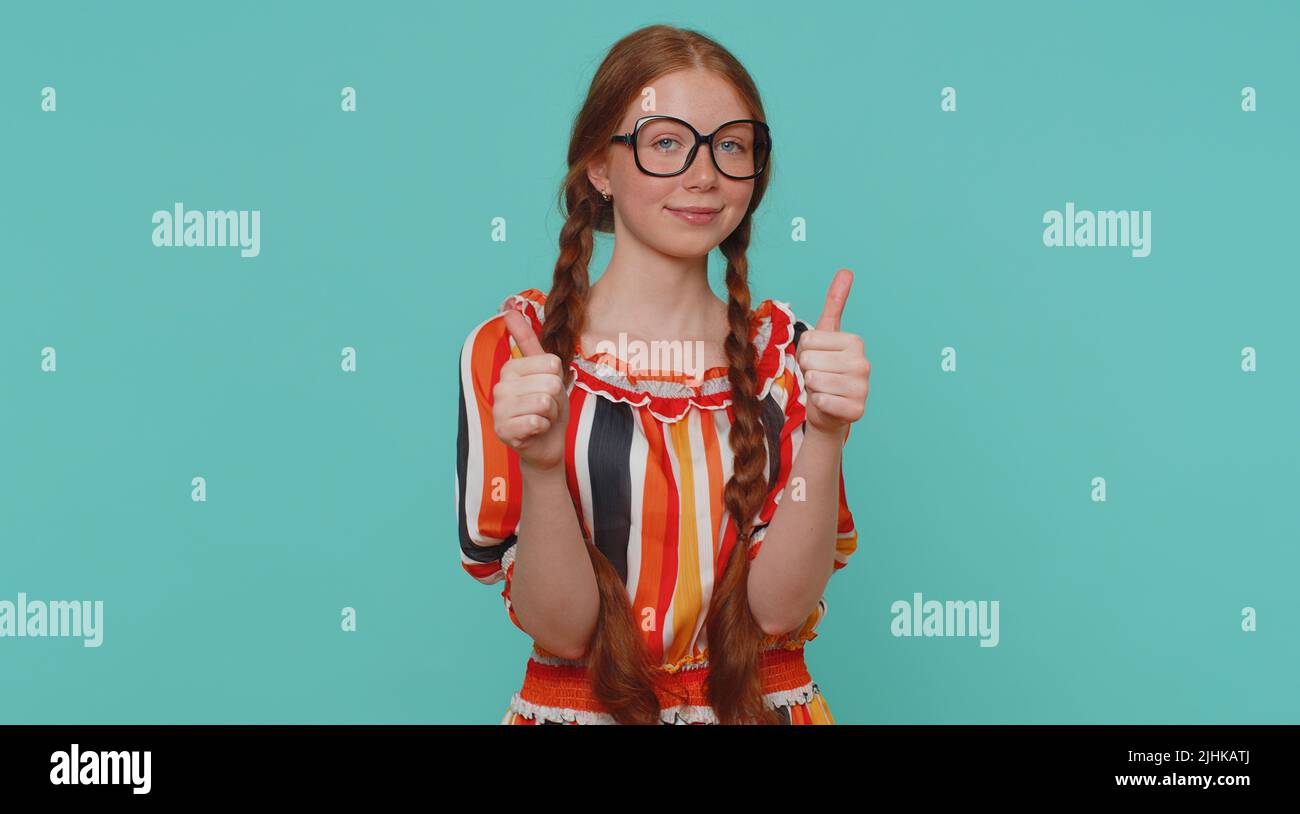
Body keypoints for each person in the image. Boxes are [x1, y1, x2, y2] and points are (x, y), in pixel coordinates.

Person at [455, 24, 870, 724]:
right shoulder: (517, 352)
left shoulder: (791, 357)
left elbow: (776, 612)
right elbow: (561, 632)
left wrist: (827, 435)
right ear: (598, 166)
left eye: (731, 145)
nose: (703, 174)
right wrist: (545, 468)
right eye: (666, 142)